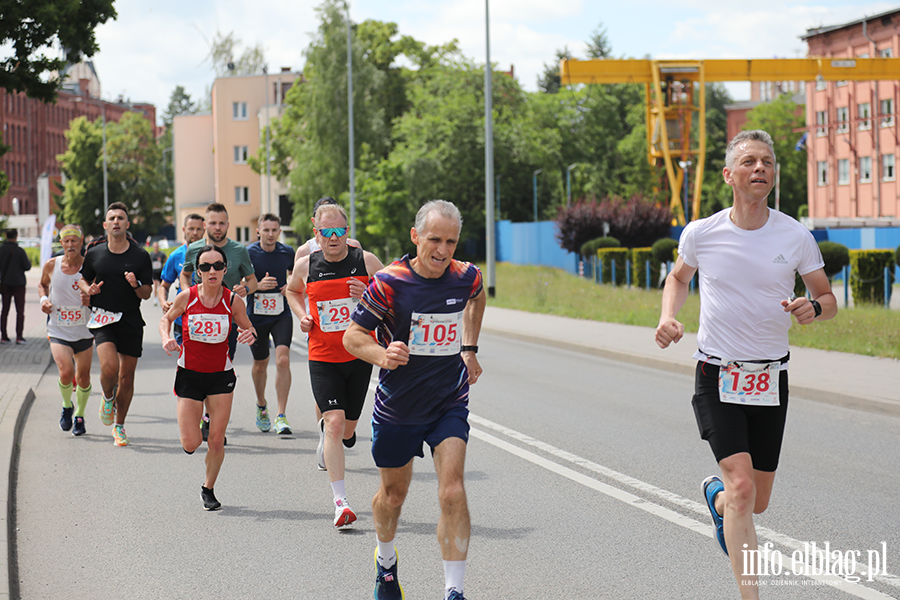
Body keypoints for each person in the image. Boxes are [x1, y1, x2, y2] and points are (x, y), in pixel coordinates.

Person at [654, 130, 837, 600]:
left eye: (768, 163)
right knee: (742, 487)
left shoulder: (795, 234)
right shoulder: (703, 232)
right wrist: (668, 317)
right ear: (729, 174)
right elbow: (677, 279)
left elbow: (827, 297)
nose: (761, 169)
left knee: (756, 501)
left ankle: (716, 498)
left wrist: (812, 308)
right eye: (750, 162)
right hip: (717, 372)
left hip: (770, 378)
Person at [343, 200, 485, 600]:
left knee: (453, 490)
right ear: (415, 236)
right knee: (393, 496)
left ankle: (453, 590)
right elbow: (352, 336)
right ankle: (385, 564)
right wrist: (381, 355)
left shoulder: (465, 276)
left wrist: (470, 347)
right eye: (434, 240)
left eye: (451, 242)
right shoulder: (390, 282)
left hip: (448, 400)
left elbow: (478, 295)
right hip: (399, 405)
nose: (442, 251)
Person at [285, 202, 384, 529]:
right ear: (316, 232)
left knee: (349, 429)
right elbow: (292, 292)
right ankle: (340, 502)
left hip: (358, 356)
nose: (332, 237)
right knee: (336, 423)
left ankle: (333, 437)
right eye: (325, 232)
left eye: (338, 231)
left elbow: (394, 293)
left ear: (347, 231)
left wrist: (368, 291)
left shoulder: (365, 261)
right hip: (323, 356)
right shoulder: (305, 265)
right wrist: (303, 316)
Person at [161, 245, 257, 510]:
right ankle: (194, 422)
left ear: (225, 269)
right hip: (190, 375)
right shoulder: (187, 297)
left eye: (217, 266)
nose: (211, 271)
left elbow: (250, 328)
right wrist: (166, 337)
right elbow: (165, 320)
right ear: (198, 272)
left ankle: (208, 488)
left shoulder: (232, 301)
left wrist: (250, 335)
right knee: (191, 443)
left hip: (220, 377)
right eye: (205, 267)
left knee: (216, 439)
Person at [79, 202, 153, 446]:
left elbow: (146, 293)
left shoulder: (140, 255)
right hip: (103, 318)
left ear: (127, 224)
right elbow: (83, 279)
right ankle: (107, 397)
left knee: (127, 378)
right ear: (105, 224)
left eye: (121, 218)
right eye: (112, 218)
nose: (116, 222)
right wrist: (87, 288)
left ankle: (119, 426)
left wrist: (135, 285)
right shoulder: (95, 253)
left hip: (131, 319)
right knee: (109, 369)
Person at [180, 203, 258, 433]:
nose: (217, 227)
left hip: (225, 322)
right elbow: (185, 276)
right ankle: (201, 412)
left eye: (221, 223)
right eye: (212, 223)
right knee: (196, 367)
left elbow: (252, 281)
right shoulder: (194, 249)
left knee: (219, 368)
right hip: (196, 319)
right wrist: (186, 295)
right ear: (205, 225)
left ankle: (209, 417)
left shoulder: (238, 250)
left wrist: (245, 289)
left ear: (228, 225)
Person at [38, 225, 93, 436]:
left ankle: (79, 415)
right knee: (66, 372)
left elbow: (98, 289)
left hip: (84, 331)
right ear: (61, 243)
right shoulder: (52, 264)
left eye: (74, 241)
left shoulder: (90, 267)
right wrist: (44, 299)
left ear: (81, 243)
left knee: (84, 376)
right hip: (58, 330)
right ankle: (66, 405)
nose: (71, 245)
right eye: (66, 241)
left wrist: (92, 298)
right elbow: (42, 284)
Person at [247, 213, 295, 434]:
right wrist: (258, 285)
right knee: (260, 364)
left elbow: (297, 277)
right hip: (256, 316)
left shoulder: (287, 252)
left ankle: (281, 415)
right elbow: (239, 285)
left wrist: (291, 287)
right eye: (266, 230)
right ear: (258, 232)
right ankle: (261, 404)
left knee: (283, 360)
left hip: (280, 313)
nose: (270, 234)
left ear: (279, 231)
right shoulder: (248, 253)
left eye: (274, 230)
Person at [158, 213, 206, 346]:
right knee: (186, 360)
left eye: (198, 229)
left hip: (208, 316)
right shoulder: (176, 255)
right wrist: (163, 302)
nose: (195, 233)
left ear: (204, 230)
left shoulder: (212, 254)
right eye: (191, 229)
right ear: (184, 230)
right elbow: (164, 286)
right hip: (182, 317)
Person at [293, 196, 361, 264]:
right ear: (314, 221)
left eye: (339, 230)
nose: (333, 238)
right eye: (327, 231)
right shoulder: (304, 251)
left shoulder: (354, 246)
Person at [0, 228, 32, 344]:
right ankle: (19, 336)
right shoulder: (19, 251)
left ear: (6, 236)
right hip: (19, 284)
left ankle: (3, 336)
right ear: (16, 236)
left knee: (4, 310)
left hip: (5, 283)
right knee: (20, 310)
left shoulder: (1, 250)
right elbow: (27, 266)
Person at [149, 241, 168, 306]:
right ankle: (155, 299)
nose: (156, 248)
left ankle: (161, 299)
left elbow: (166, 261)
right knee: (155, 285)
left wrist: (161, 261)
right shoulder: (151, 254)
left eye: (157, 246)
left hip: (160, 271)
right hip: (154, 272)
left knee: (161, 286)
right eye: (155, 247)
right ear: (153, 247)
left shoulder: (161, 254)